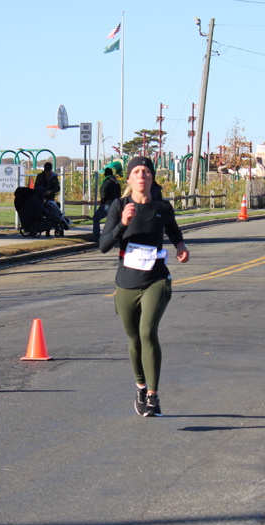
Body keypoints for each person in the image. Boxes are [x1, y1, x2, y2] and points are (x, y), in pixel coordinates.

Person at [99, 156, 189, 417]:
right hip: (126, 282)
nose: (141, 175)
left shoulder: (162, 207)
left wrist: (181, 246)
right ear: (129, 178)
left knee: (148, 332)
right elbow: (103, 245)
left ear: (152, 177)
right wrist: (123, 223)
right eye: (136, 171)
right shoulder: (120, 206)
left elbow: (173, 230)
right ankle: (140, 387)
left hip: (156, 279)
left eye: (146, 171)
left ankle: (153, 395)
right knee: (134, 339)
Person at [92, 167, 120, 241]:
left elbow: (103, 193)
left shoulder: (107, 181)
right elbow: (119, 194)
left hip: (107, 204)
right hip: (115, 204)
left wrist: (103, 201)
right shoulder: (116, 182)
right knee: (112, 221)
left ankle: (97, 236)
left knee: (96, 218)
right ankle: (114, 237)